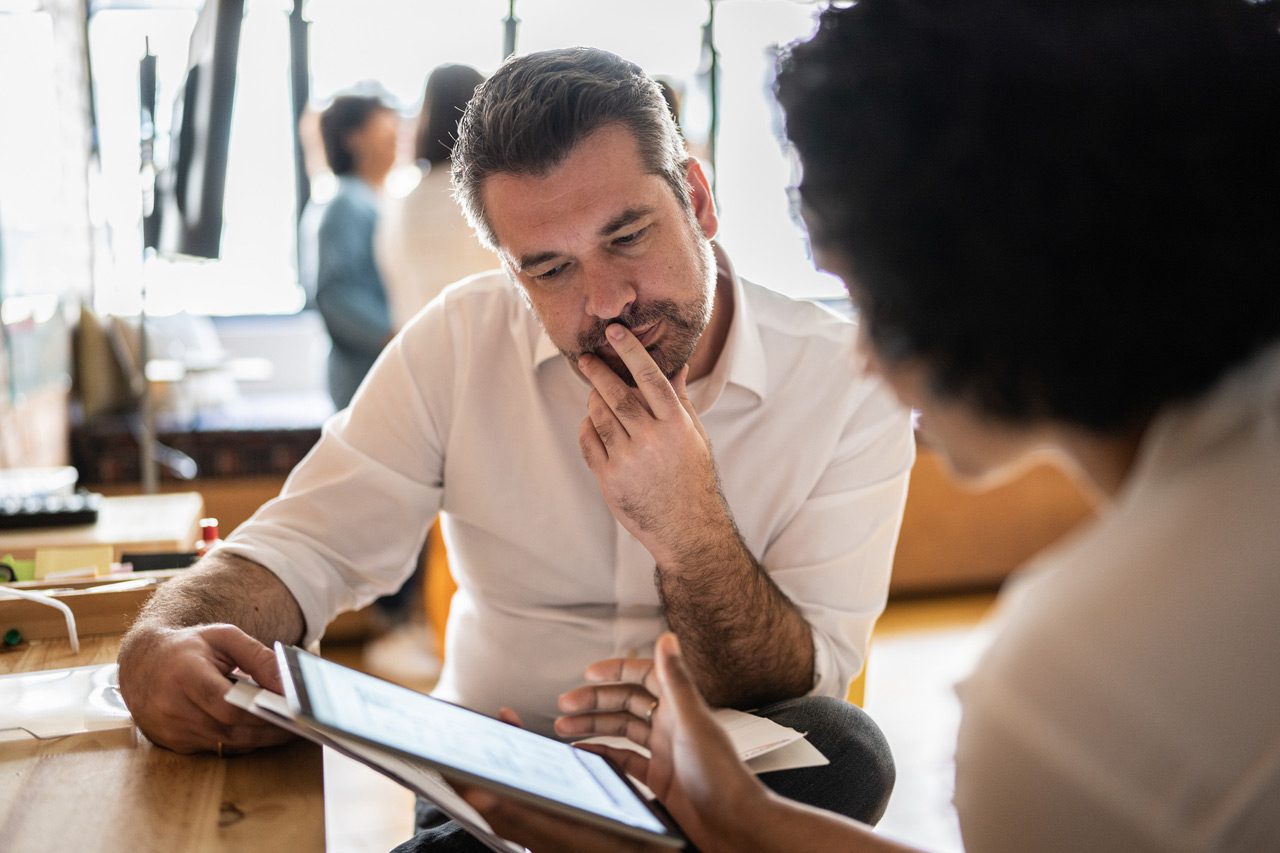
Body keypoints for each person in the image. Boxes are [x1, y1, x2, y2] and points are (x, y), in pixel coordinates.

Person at [457, 1, 1280, 851]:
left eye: (867, 292)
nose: (868, 359)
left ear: (984, 275)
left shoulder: (1070, 694)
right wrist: (745, 821)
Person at [115, 46, 915, 850]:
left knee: (845, 751)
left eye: (629, 236)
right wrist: (162, 640)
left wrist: (690, 526)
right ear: (510, 269)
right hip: (501, 769)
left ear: (699, 199)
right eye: (551, 269)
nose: (606, 304)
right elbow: (297, 546)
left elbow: (802, 682)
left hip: (717, 773)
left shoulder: (848, 381)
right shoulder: (459, 341)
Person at [375, 64, 495, 330]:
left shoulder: (401, 200)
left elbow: (394, 281)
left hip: (418, 344)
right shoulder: (488, 193)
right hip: (487, 340)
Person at [312, 92, 398, 410]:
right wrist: (395, 335)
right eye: (384, 123)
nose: (395, 132)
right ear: (354, 139)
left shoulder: (373, 199)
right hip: (363, 374)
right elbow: (336, 295)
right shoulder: (345, 204)